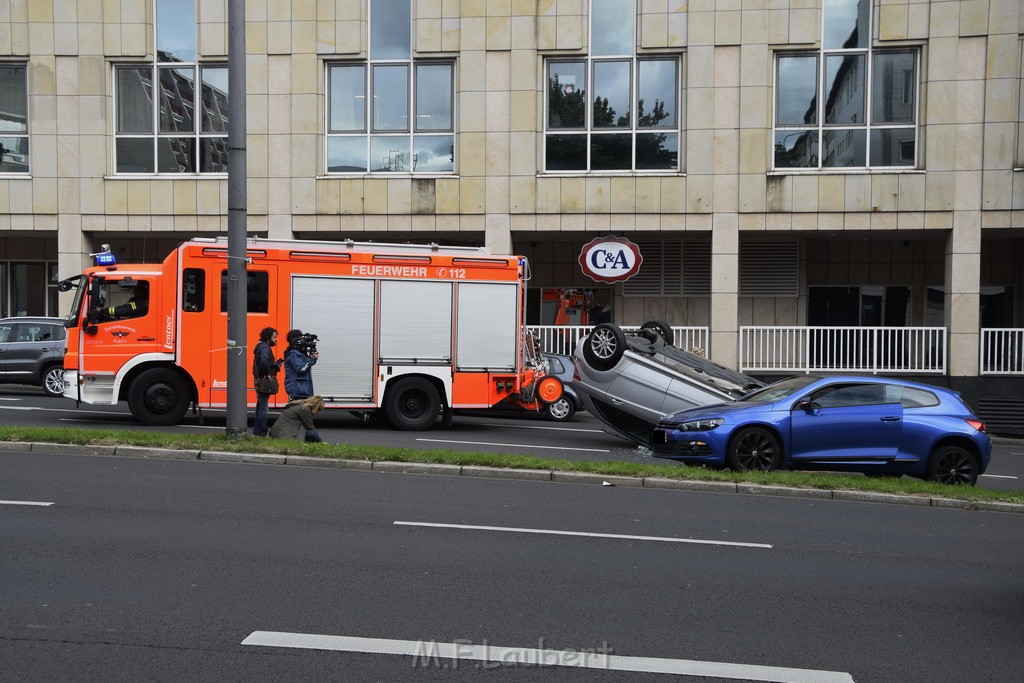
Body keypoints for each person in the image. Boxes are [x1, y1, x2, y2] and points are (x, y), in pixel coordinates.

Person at [251, 327, 282, 437]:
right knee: (263, 407)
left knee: (260, 406)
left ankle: (257, 431)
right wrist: (267, 374)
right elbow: (264, 362)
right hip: (263, 380)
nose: (276, 340)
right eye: (274, 337)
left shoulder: (261, 346)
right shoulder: (265, 347)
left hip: (259, 379)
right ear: (268, 337)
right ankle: (262, 432)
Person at [283, 328, 318, 401]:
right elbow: (301, 369)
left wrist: (313, 359)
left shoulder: (298, 353)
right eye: (301, 338)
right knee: (299, 411)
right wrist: (311, 360)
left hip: (302, 389)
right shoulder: (294, 354)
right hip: (298, 390)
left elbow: (306, 366)